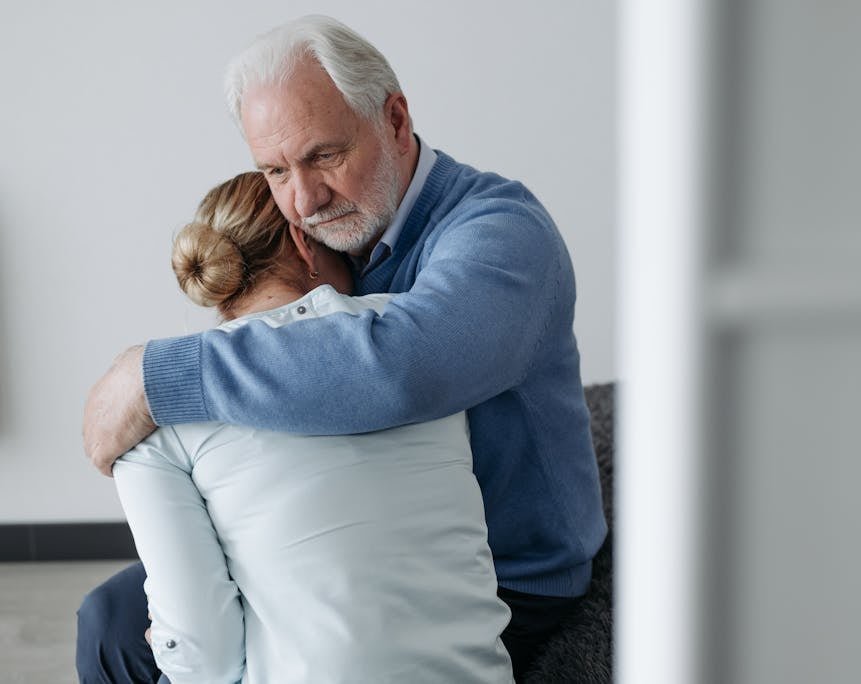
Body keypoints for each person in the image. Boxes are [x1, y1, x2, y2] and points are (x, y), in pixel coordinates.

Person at [79, 15, 606, 682]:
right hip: (361, 541)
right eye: (275, 170)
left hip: (507, 576)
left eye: (325, 155)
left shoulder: (501, 234)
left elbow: (402, 367)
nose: (303, 199)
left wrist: (157, 376)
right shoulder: (333, 234)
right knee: (113, 621)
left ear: (394, 118)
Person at [112, 171, 513, 683]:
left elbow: (205, 660)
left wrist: (170, 644)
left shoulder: (155, 420)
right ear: (305, 244)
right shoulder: (419, 340)